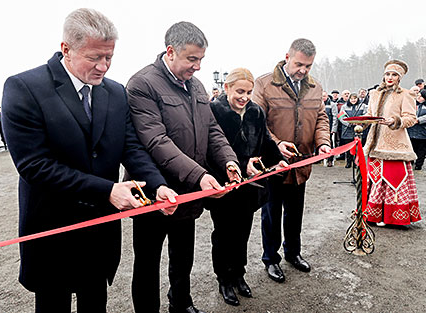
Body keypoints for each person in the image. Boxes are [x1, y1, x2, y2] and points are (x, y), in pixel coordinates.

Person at [1, 8, 177, 313]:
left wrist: (157, 185)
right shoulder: (24, 88)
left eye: (109, 57)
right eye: (95, 57)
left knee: (95, 302)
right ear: (66, 49)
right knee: (52, 304)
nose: (104, 66)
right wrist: (106, 190)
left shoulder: (116, 92)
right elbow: (34, 165)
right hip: (52, 229)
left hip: (99, 232)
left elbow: (131, 148)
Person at [126, 21, 240, 313]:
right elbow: (156, 141)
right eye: (192, 59)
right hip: (153, 192)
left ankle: (181, 302)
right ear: (170, 51)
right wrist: (200, 175)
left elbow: (212, 129)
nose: (198, 67)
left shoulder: (197, 86)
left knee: (183, 255)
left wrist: (229, 160)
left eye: (201, 59)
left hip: (188, 191)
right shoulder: (142, 84)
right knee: (148, 262)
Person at [205, 68, 287, 306]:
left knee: (242, 233)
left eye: (249, 92)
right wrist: (241, 165)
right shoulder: (214, 111)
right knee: (223, 235)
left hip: (251, 187)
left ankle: (239, 275)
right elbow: (211, 149)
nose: (245, 97)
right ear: (227, 88)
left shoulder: (255, 112)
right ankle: (224, 279)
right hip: (225, 187)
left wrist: (276, 160)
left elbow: (265, 142)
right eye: (240, 91)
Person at [252, 38, 331, 283]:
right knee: (271, 215)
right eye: (299, 64)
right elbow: (257, 122)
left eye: (308, 66)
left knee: (295, 213)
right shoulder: (264, 84)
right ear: (287, 57)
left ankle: (293, 253)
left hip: (302, 164)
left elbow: (321, 118)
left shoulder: (315, 87)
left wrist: (324, 142)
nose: (303, 70)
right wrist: (276, 145)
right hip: (274, 165)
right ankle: (271, 259)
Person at [363, 60, 421, 227]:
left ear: (399, 78)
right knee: (375, 180)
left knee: (393, 180)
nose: (390, 77)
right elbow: (369, 114)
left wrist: (395, 121)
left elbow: (411, 118)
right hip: (375, 144)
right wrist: (360, 123)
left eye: (394, 75)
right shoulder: (374, 94)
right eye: (388, 74)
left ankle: (394, 217)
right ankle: (375, 215)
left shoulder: (406, 94)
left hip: (395, 145)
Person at [338, 93, 367, 168]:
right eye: (352, 98)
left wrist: (359, 122)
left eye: (355, 98)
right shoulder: (344, 107)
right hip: (347, 130)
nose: (353, 100)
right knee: (348, 147)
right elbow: (341, 117)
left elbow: (366, 115)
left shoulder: (363, 106)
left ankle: (356, 162)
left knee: (358, 147)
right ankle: (348, 162)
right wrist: (349, 123)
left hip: (358, 130)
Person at [408, 89, 426, 170]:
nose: (418, 97)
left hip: (424, 133)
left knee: (422, 151)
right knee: (412, 149)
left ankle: (418, 166)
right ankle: (410, 164)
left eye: (420, 96)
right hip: (412, 132)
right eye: (418, 96)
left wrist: (419, 120)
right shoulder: (415, 105)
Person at [323, 91, 338, 167]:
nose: (323, 98)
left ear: (327, 96)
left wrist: (333, 128)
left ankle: (330, 160)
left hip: (329, 127)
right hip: (320, 128)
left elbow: (335, 117)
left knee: (330, 144)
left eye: (324, 96)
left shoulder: (332, 105)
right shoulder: (318, 104)